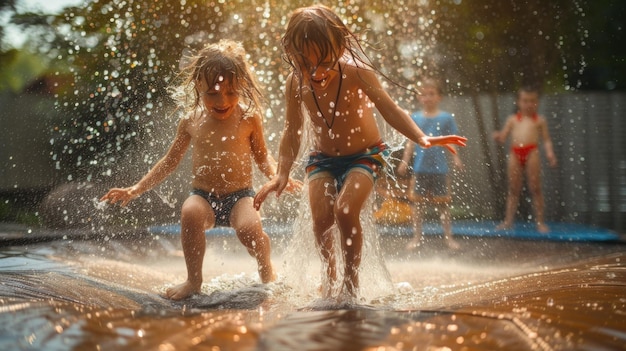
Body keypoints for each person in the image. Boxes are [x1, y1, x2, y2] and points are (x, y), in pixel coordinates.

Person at [253, 5, 467, 299]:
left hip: (365, 155)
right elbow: (292, 131)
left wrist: (421, 137)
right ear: (291, 52)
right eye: (305, 63)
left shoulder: (356, 71)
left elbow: (389, 108)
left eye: (324, 61)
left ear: (339, 46)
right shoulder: (295, 82)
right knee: (321, 220)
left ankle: (350, 285)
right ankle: (329, 277)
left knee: (344, 210)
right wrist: (282, 173)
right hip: (322, 159)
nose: (315, 72)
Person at [101, 39, 300, 300]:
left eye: (231, 92)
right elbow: (169, 161)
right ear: (198, 85)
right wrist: (136, 188)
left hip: (240, 196)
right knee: (190, 212)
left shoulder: (249, 117)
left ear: (241, 85)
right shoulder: (191, 120)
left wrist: (278, 176)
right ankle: (193, 281)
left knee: (250, 228)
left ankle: (266, 269)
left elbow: (263, 157)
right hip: (203, 196)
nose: (222, 100)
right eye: (212, 93)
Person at [397, 79, 463, 250]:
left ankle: (448, 238)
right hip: (420, 168)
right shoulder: (415, 117)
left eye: (431, 94)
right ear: (419, 97)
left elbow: (451, 140)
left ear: (439, 97)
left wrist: (456, 158)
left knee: (443, 205)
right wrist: (405, 161)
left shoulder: (446, 118)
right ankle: (417, 237)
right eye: (424, 94)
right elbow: (411, 142)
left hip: (440, 168)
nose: (427, 97)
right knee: (417, 204)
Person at [492, 86, 557, 233]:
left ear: (537, 102)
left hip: (531, 151)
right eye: (525, 101)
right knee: (513, 189)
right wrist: (498, 136)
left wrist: (550, 153)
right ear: (518, 102)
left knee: (535, 188)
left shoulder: (539, 120)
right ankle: (508, 221)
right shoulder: (513, 120)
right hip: (515, 153)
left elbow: (546, 140)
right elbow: (503, 137)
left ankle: (540, 222)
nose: (529, 104)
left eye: (532, 101)